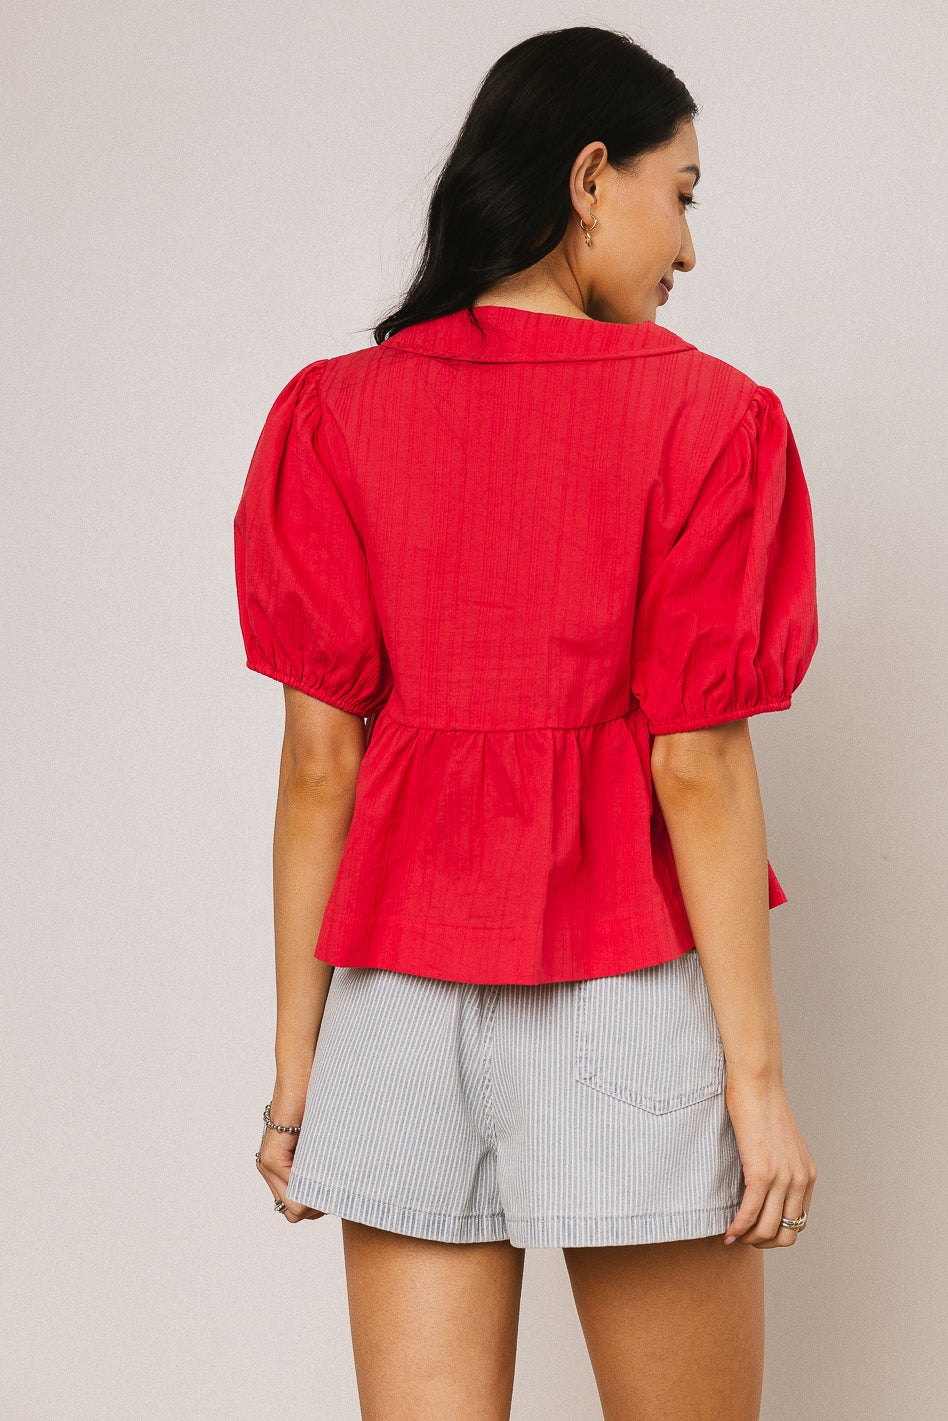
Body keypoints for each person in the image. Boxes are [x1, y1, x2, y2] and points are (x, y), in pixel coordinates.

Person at [233, 24, 819, 1421]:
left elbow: (319, 764)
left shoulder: (334, 414)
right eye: (683, 193)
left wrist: (299, 1073)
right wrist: (757, 1086)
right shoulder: (710, 420)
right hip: (625, 980)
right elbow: (697, 763)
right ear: (592, 177)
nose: (689, 248)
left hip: (392, 1002)